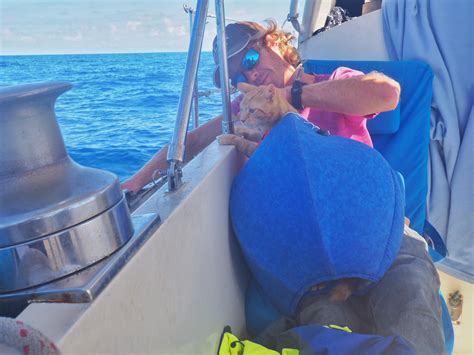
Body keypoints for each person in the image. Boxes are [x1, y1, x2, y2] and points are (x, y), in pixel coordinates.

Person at [121, 20, 400, 193]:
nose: (251, 75)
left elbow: (387, 95)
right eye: (239, 76)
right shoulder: (247, 106)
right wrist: (135, 182)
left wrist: (295, 96)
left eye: (251, 59)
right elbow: (192, 141)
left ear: (274, 43)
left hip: (362, 200)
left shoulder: (336, 81)